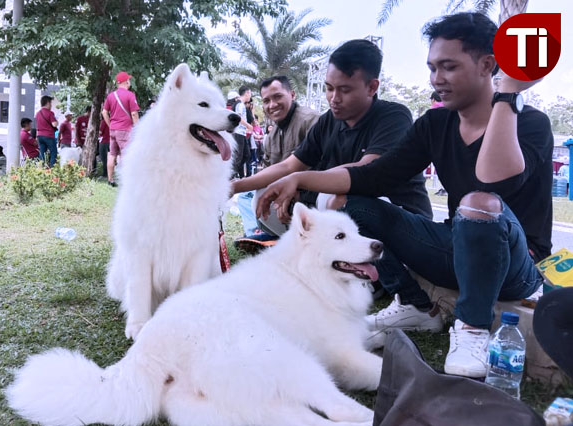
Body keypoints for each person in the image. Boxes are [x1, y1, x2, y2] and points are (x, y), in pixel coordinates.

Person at [256, 12, 552, 378]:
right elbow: (375, 176)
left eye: (448, 67)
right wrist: (300, 177)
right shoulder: (435, 123)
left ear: (487, 65)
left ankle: (472, 329)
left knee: (479, 204)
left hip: (517, 265)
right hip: (455, 249)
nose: (436, 79)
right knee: (359, 208)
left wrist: (507, 94)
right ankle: (417, 306)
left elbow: (491, 184)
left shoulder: (531, 123)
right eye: (432, 68)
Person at [233, 40, 433, 239]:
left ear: (372, 87)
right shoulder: (328, 120)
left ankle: (392, 268)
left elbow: (366, 172)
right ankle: (313, 254)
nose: (334, 98)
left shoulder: (394, 117)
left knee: (336, 199)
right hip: (340, 209)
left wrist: (298, 180)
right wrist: (234, 186)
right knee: (264, 195)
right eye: (329, 88)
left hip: (403, 221)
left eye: (344, 90)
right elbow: (288, 167)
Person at [233, 75, 320, 251]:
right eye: (266, 100)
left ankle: (283, 241)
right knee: (248, 196)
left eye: (278, 97)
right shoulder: (272, 135)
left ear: (292, 94)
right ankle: (264, 235)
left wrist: (296, 193)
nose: (272, 105)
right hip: (284, 195)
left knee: (259, 195)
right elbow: (268, 173)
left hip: (311, 199)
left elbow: (325, 170)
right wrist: (235, 186)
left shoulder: (310, 121)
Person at [102, 71, 140, 187]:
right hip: (124, 130)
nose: (129, 81)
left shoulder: (110, 96)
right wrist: (138, 129)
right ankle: (125, 181)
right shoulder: (130, 95)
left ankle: (110, 179)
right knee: (125, 154)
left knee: (112, 154)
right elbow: (134, 114)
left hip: (113, 129)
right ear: (126, 82)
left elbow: (104, 112)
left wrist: (110, 125)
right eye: (128, 80)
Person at [231, 86, 254, 178]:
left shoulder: (240, 104)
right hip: (238, 133)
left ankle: (239, 175)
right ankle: (231, 177)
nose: (250, 96)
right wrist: (248, 125)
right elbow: (238, 118)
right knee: (239, 157)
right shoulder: (240, 104)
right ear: (247, 93)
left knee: (246, 155)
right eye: (250, 93)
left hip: (242, 133)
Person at [35, 95, 59, 167]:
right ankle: (52, 170)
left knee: (42, 154)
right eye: (51, 103)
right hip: (49, 136)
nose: (51, 105)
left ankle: (40, 169)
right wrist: (57, 122)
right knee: (53, 153)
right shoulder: (50, 113)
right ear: (48, 103)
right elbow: (54, 124)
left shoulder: (38, 113)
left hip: (40, 136)